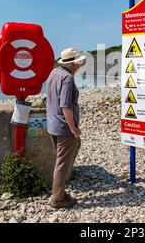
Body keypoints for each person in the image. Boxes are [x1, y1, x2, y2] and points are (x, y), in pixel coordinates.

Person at [46, 47, 86, 208]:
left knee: (59, 161)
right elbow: (66, 107)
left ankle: (60, 193)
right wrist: (74, 129)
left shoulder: (54, 73)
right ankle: (58, 199)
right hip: (64, 128)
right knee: (62, 164)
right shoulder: (68, 79)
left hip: (52, 125)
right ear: (74, 63)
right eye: (79, 61)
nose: (81, 64)